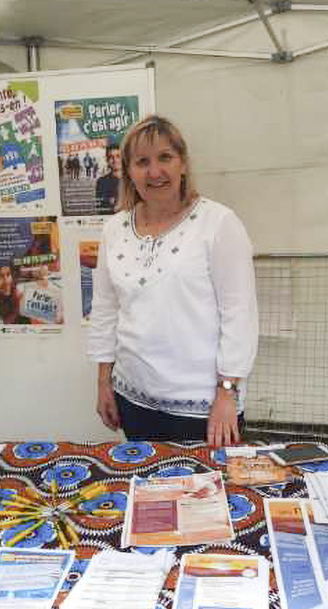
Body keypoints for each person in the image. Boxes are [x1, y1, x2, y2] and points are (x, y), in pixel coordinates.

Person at [88, 115, 259, 447]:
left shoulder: (218, 224)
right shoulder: (114, 229)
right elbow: (105, 310)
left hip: (203, 408)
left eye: (165, 157)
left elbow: (240, 314)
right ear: (128, 171)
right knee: (148, 496)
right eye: (142, 162)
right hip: (132, 399)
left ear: (183, 163)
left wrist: (227, 393)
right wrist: (103, 383)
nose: (154, 172)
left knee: (206, 495)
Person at [95, 143, 121, 215]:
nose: (115, 160)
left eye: (118, 156)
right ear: (107, 160)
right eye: (111, 157)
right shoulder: (101, 182)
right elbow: (100, 208)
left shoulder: (133, 180)